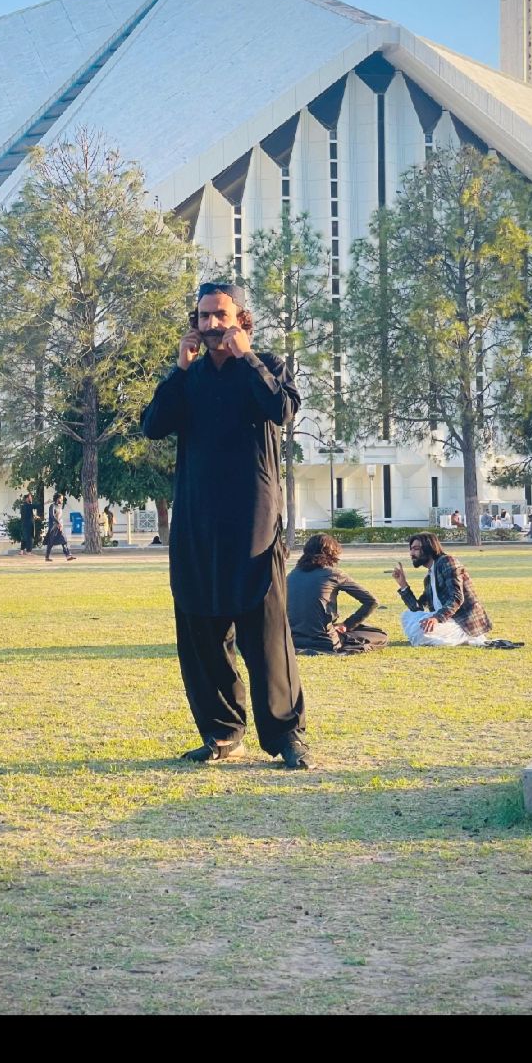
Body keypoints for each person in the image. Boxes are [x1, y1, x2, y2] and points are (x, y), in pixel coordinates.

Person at [141, 280, 309, 768]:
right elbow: (153, 425)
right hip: (196, 524)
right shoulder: (188, 377)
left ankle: (286, 736)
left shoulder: (267, 366)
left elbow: (282, 409)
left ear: (241, 320)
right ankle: (221, 732)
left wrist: (248, 358)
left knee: (267, 638)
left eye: (220, 315)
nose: (212, 324)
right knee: (201, 635)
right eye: (203, 316)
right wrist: (179, 369)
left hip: (253, 524)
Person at [393, 533, 523, 648]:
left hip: (461, 623)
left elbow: (456, 598)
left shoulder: (447, 562)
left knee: (419, 631)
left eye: (416, 549)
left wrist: (436, 618)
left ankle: (466, 638)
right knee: (406, 615)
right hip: (444, 620)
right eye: (411, 549)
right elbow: (417, 609)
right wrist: (403, 584)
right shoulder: (429, 577)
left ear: (428, 548)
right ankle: (438, 637)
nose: (411, 554)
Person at [287, 532, 388, 654]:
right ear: (332, 554)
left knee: (362, 629)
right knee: (380, 636)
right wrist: (347, 624)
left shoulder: (291, 575)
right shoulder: (333, 574)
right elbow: (372, 601)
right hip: (324, 640)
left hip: (293, 640)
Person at [44, 494, 75, 561]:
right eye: (61, 499)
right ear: (57, 499)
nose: (62, 500)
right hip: (53, 527)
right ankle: (47, 557)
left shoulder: (59, 506)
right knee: (50, 542)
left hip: (59, 527)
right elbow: (52, 516)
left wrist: (61, 524)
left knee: (64, 540)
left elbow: (60, 517)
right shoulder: (52, 506)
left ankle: (68, 556)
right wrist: (58, 523)